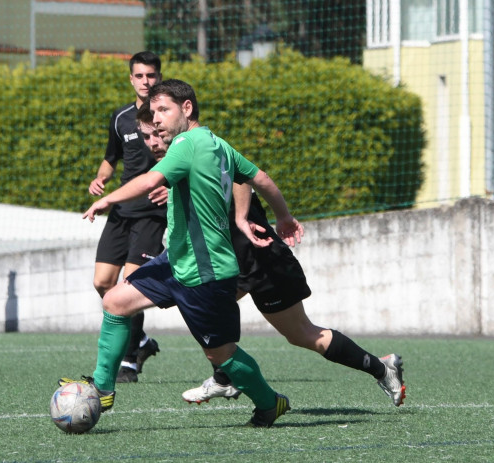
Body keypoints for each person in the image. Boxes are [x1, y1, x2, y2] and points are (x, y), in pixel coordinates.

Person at [62, 79, 302, 428]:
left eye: (163, 110)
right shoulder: (219, 145)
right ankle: (102, 387)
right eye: (153, 111)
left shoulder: (187, 142)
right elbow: (261, 178)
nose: (155, 119)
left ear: (187, 109)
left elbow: (149, 181)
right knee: (115, 301)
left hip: (206, 272)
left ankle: (270, 402)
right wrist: (284, 217)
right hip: (176, 261)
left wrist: (107, 198)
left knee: (220, 354)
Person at [134, 104, 407, 408]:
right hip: (229, 263)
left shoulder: (203, 147)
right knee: (207, 311)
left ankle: (382, 368)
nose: (153, 141)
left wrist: (242, 218)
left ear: (177, 119)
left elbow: (246, 180)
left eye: (157, 132)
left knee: (302, 334)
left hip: (261, 258)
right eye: (146, 136)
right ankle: (226, 378)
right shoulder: (178, 161)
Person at [88, 51, 164, 384]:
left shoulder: (168, 117)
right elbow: (111, 157)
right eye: (140, 76)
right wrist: (101, 177)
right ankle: (142, 341)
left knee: (129, 288)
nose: (146, 81)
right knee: (103, 283)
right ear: (131, 79)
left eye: (151, 75)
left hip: (151, 213)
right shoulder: (120, 118)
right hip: (120, 211)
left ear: (158, 77)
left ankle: (129, 359)